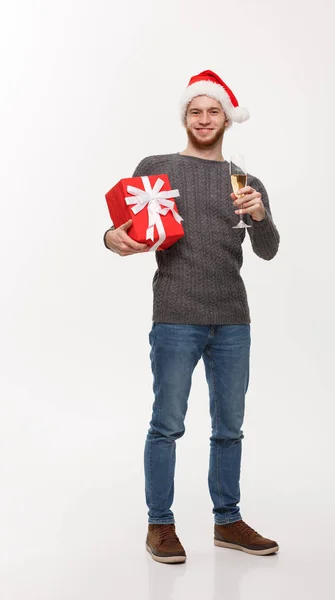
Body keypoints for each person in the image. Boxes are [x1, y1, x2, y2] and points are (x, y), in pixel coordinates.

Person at [103, 70, 280, 564]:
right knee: (167, 424)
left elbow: (268, 251)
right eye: (196, 111)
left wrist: (260, 215)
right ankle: (160, 525)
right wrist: (111, 239)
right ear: (185, 116)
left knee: (229, 427)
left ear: (227, 118)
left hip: (233, 319)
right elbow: (122, 228)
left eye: (213, 111)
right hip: (176, 315)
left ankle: (228, 521)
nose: (205, 119)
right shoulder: (157, 167)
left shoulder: (247, 183)